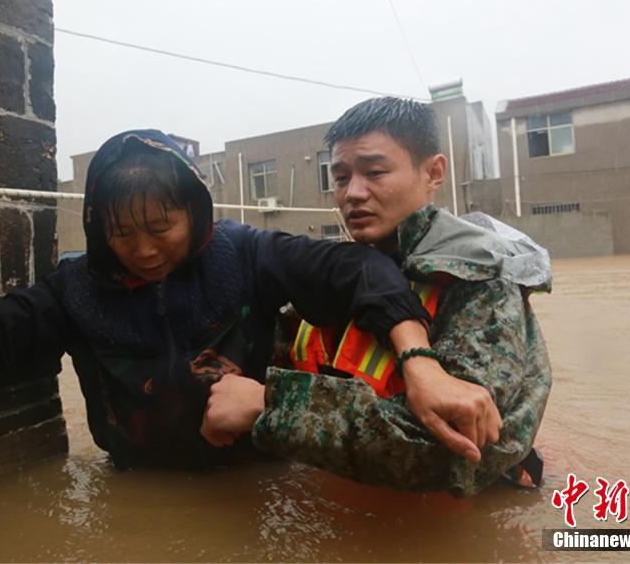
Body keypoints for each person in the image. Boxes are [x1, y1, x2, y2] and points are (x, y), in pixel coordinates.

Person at [0, 129, 500, 470]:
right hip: (137, 482)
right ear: (99, 229)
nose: (144, 249)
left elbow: (360, 274)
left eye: (161, 227)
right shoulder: (76, 286)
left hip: (257, 475)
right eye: (121, 232)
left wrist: (422, 365)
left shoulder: (248, 254)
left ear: (196, 212)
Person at [201, 98, 552, 496]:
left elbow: (459, 454)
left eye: (375, 172)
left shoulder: (479, 281)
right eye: (340, 177)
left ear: (433, 173)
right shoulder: (327, 276)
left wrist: (272, 406)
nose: (353, 193)